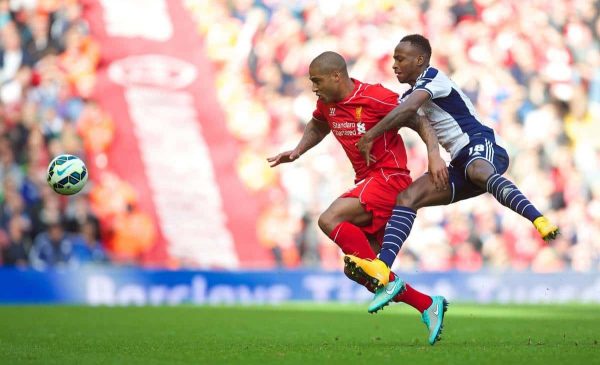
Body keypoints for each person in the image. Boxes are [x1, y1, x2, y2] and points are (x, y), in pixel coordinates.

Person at [347, 34, 560, 343]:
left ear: (420, 60)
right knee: (408, 197)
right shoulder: (413, 91)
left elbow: (409, 110)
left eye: (400, 59)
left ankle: (539, 219)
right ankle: (382, 268)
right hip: (458, 162)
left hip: (483, 145)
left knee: (477, 169)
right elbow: (411, 116)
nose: (395, 65)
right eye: (393, 59)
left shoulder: (432, 78)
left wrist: (371, 135)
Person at [268, 51, 448, 342]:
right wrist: (298, 150)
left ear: (337, 76)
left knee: (329, 218)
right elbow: (318, 123)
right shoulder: (327, 103)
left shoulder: (375, 97)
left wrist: (434, 155)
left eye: (317, 80)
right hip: (368, 181)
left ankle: (389, 282)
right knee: (358, 270)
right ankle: (427, 304)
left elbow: (418, 121)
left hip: (390, 177)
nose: (314, 87)